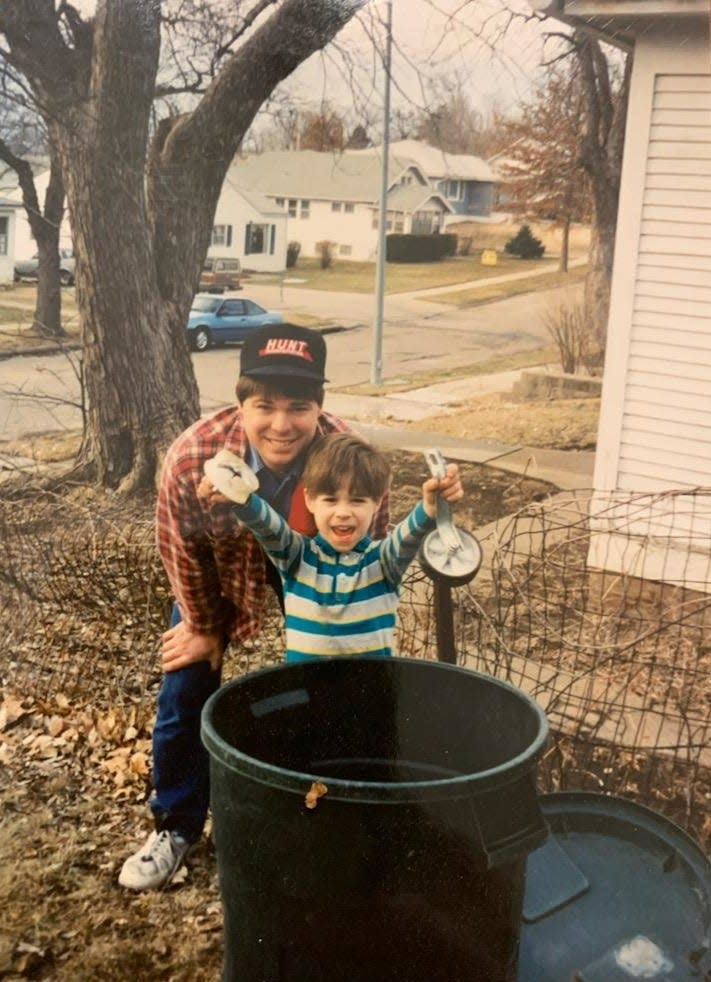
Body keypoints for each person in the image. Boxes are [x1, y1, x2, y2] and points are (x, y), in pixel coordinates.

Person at [119, 324, 389, 892]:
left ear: (321, 406)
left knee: (339, 678)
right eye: (264, 405)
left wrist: (353, 620)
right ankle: (176, 823)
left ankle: (334, 805)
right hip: (222, 565)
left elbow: (370, 543)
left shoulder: (347, 457)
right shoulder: (192, 456)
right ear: (241, 403)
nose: (282, 424)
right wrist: (203, 626)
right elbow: (181, 549)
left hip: (313, 561)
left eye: (299, 406)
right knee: (185, 683)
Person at [201, 433, 463, 661]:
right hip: (308, 695)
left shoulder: (383, 563)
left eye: (358, 500)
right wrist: (240, 497)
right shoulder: (296, 557)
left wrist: (431, 506)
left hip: (370, 698)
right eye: (330, 500)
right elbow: (268, 525)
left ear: (377, 503)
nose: (343, 513)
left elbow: (408, 535)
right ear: (310, 501)